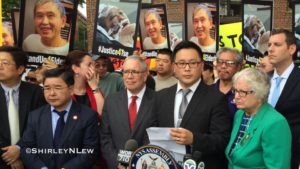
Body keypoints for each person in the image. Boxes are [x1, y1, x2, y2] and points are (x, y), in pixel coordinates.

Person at [151, 41, 231, 169]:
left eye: (193, 63)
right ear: (174, 67)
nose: (187, 68)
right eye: (182, 63)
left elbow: (222, 140)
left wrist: (194, 139)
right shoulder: (160, 97)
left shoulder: (216, 98)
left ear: (201, 65)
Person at [20, 68, 99, 169]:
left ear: (71, 90)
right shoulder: (35, 116)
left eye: (57, 88)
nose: (51, 93)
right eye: (47, 88)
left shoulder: (88, 115)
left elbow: (90, 150)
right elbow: (26, 148)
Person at [226, 68, 291, 169]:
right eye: (235, 90)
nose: (236, 96)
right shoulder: (240, 114)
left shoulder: (276, 123)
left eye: (243, 92)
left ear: (260, 94)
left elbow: (278, 166)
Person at [100, 55, 155, 169]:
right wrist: (117, 163)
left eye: (134, 72)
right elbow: (105, 137)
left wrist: (139, 162)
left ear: (145, 75)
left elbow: (158, 136)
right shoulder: (111, 101)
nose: (129, 76)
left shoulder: (158, 100)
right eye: (126, 72)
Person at [0, 46, 46, 169]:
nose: (0, 66)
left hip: (30, 158)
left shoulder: (36, 92)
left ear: (20, 69)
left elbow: (39, 125)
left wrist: (19, 149)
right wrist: (9, 156)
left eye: (4, 63)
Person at [267, 29, 300, 169]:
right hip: (262, 155)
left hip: (292, 156)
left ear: (291, 49)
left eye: (277, 44)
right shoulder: (262, 79)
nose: (270, 49)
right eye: (269, 45)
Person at [64, 50, 104, 116]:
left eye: (93, 65)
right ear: (75, 68)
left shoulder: (95, 90)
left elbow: (102, 114)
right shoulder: (65, 90)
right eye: (89, 65)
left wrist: (95, 87)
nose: (93, 68)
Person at [212, 47, 243, 119]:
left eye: (229, 63)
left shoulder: (243, 93)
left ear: (239, 67)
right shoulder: (207, 91)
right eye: (220, 62)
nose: (223, 66)